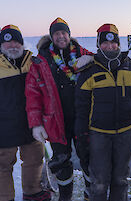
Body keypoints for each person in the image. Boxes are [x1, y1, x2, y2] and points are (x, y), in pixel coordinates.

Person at [75, 23, 131, 201]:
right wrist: (81, 136)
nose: (109, 47)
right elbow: (81, 108)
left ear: (118, 44)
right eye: (105, 43)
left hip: (127, 133)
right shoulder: (89, 72)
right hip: (98, 135)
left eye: (113, 43)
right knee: (99, 181)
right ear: (98, 45)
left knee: (120, 180)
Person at [25, 18, 93, 201]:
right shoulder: (41, 60)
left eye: (64, 33)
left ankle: (90, 193)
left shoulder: (82, 52)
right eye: (57, 33)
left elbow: (103, 63)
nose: (61, 36)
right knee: (62, 161)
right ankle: (65, 197)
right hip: (55, 121)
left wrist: (93, 60)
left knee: (88, 158)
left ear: (69, 35)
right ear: (52, 36)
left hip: (83, 118)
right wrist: (36, 123)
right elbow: (32, 94)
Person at [0, 25, 50, 201]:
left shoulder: (33, 62)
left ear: (21, 43)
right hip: (4, 127)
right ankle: (5, 197)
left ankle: (32, 192)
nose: (12, 45)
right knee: (3, 166)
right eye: (7, 42)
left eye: (16, 41)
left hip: (31, 123)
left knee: (35, 159)